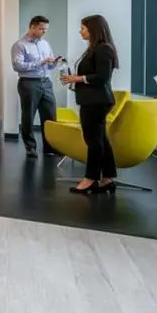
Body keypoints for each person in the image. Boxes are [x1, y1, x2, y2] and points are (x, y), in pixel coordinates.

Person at [60, 15, 118, 195]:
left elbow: (102, 77)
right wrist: (75, 80)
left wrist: (77, 78)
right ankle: (107, 177)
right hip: (92, 99)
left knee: (93, 141)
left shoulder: (103, 49)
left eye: (83, 28)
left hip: (97, 101)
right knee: (100, 140)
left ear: (93, 29)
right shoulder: (94, 49)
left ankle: (90, 178)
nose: (80, 31)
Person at [10, 15, 62, 158]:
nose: (44, 31)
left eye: (45, 29)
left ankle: (50, 147)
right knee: (29, 116)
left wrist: (54, 62)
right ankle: (30, 147)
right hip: (28, 83)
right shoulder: (19, 45)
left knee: (50, 116)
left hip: (46, 82)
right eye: (41, 28)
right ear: (32, 26)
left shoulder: (45, 43)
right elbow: (17, 66)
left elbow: (49, 66)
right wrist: (41, 62)